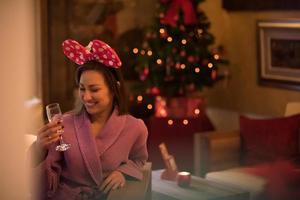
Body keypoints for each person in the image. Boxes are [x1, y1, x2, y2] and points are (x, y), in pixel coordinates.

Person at [29, 39, 148, 200]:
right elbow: (48, 174)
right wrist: (38, 149)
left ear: (114, 89)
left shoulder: (135, 128)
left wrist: (123, 173)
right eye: (82, 88)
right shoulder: (62, 124)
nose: (86, 97)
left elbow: (138, 159)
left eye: (94, 89)